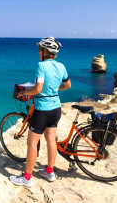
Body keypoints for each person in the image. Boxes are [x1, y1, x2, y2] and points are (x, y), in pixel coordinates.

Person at [9, 37, 71, 187]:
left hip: (42, 110)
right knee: (51, 140)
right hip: (56, 108)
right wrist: (55, 89)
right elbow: (67, 85)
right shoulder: (61, 66)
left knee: (32, 143)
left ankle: (27, 178)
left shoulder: (41, 66)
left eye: (40, 49)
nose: (38, 52)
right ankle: (50, 172)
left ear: (45, 51)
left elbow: (38, 89)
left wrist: (24, 93)